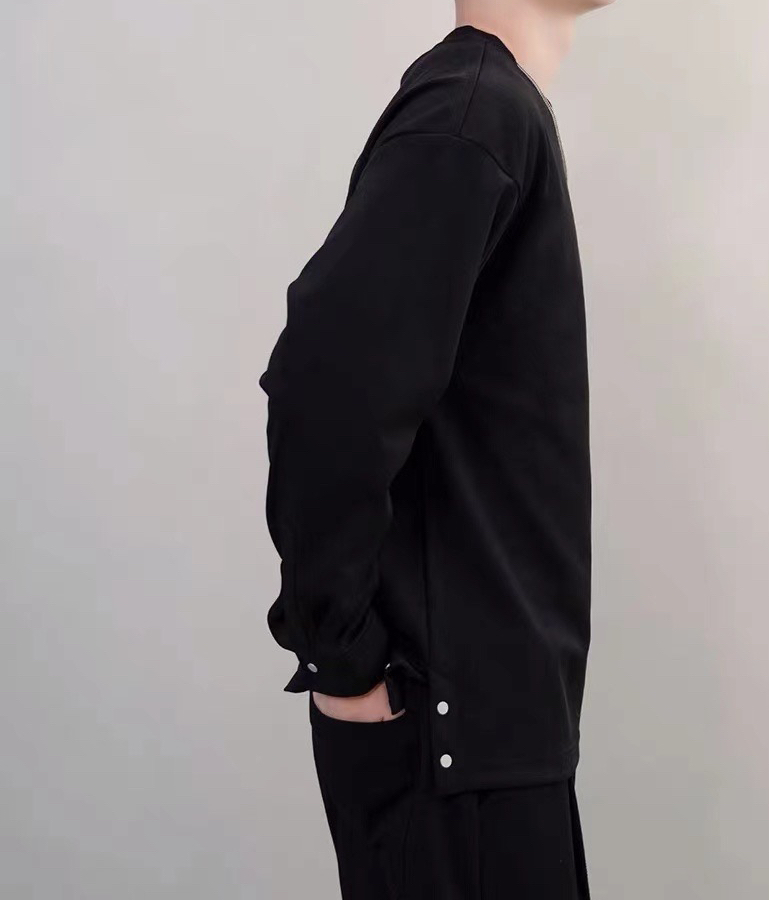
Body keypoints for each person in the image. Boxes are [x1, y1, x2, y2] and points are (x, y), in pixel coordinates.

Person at [258, 1, 614, 896]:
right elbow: (325, 384)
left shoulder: (495, 112)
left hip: (497, 743)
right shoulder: (473, 114)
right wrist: (344, 661)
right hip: (451, 749)